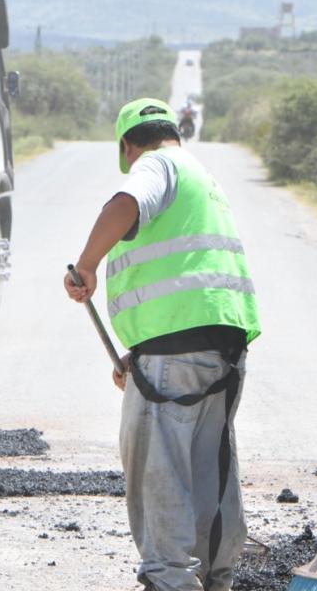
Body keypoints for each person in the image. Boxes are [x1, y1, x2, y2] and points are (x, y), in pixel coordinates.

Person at [62, 98, 261, 591]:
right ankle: (216, 579)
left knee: (158, 467)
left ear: (127, 146)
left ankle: (170, 580)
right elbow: (186, 277)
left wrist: (86, 265)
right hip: (222, 345)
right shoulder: (202, 176)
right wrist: (141, 355)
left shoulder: (156, 165)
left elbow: (124, 205)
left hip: (175, 353)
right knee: (209, 464)